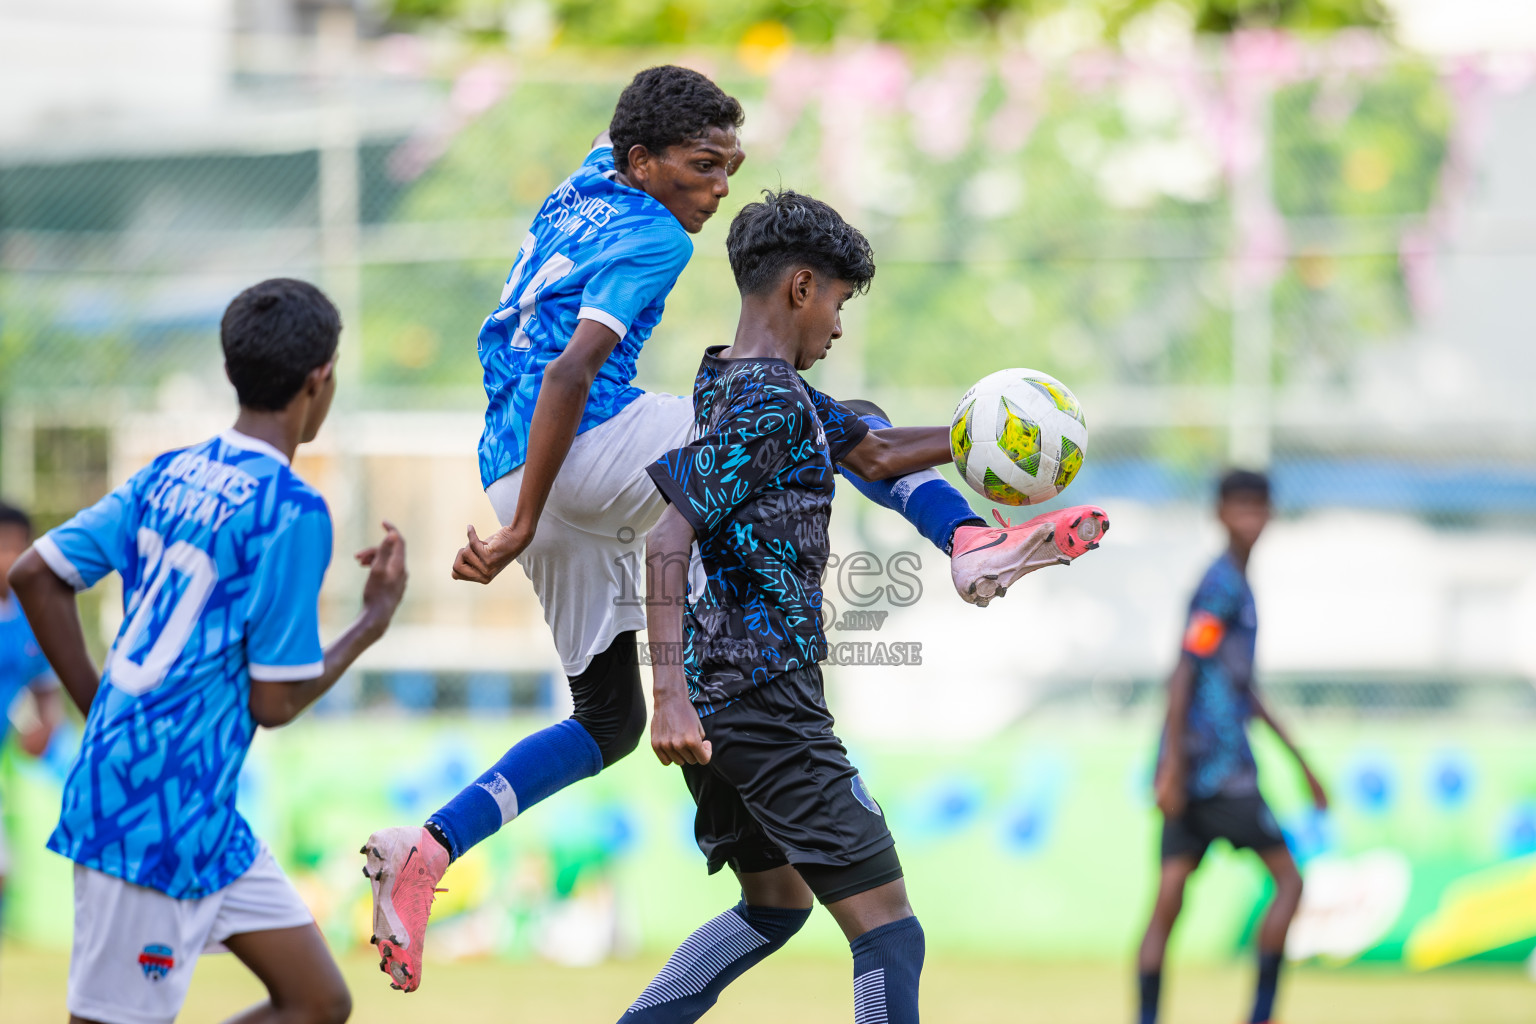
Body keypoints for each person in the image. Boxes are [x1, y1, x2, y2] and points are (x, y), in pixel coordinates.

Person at [361, 65, 1107, 992]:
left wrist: (959, 441)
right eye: (702, 166)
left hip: (518, 458)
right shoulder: (658, 240)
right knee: (804, 410)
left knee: (607, 723)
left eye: (730, 166)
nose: (718, 189)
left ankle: (429, 846)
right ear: (643, 160)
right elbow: (572, 378)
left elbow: (628, 150)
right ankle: (967, 544)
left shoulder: (586, 182)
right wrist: (518, 533)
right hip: (579, 450)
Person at [624, 188, 1107, 1024]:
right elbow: (666, 543)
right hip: (763, 699)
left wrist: (984, 434)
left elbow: (874, 449)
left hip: (726, 701)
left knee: (775, 904)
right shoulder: (769, 401)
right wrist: (663, 696)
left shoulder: (737, 381)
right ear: (801, 289)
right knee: (889, 931)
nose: (840, 327)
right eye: (839, 304)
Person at [8, 278, 408, 1024]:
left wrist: (103, 711)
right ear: (320, 381)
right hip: (153, 808)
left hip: (201, 811)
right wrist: (370, 623)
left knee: (316, 1001)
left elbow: (37, 572)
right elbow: (274, 701)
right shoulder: (292, 509)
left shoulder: (170, 471)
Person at [1135, 469, 1328, 1024]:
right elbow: (1184, 669)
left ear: (1270, 514)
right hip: (1219, 771)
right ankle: (1263, 1014)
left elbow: (1243, 688)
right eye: (1239, 507)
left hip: (1199, 770)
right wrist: (1170, 763)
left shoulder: (1236, 583)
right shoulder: (1221, 586)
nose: (1250, 518)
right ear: (1219, 514)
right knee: (1289, 882)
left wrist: (1302, 764)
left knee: (1169, 900)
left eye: (1258, 507)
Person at [0, 501, 65, 941]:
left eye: (16, 545)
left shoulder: (27, 618)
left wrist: (46, 723)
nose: (9, 556)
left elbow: (46, 685)